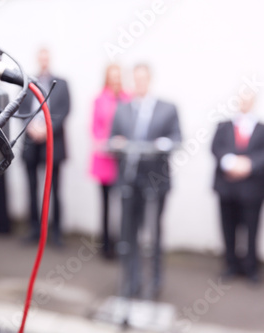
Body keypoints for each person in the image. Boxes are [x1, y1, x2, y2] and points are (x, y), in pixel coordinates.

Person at [110, 64, 181, 299]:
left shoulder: (167, 109)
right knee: (129, 234)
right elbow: (113, 139)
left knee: (154, 232)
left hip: (155, 181)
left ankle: (156, 281)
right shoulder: (122, 109)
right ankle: (133, 280)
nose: (139, 83)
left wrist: (161, 145)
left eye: (143, 79)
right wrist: (117, 143)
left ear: (149, 80)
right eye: (136, 79)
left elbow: (176, 138)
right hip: (130, 180)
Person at [211, 92, 264, 283]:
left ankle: (250, 267)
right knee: (228, 227)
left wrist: (249, 164)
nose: (245, 102)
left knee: (251, 228)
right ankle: (231, 264)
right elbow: (216, 148)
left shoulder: (261, 128)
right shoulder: (224, 126)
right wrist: (229, 162)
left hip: (252, 189)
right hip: (227, 187)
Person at [20, 48, 70, 246]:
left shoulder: (62, 84)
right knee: (31, 188)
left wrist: (47, 129)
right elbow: (21, 108)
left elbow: (65, 110)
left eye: (46, 57)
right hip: (31, 141)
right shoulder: (28, 82)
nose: (43, 61)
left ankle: (56, 232)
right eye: (40, 57)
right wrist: (31, 126)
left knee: (55, 189)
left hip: (53, 142)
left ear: (49, 60)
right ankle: (34, 230)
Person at [90, 64, 130, 259]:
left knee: (124, 205)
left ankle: (123, 243)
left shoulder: (128, 99)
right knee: (105, 204)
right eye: (112, 77)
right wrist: (107, 141)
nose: (115, 80)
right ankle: (106, 245)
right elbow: (95, 128)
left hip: (123, 161)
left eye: (118, 76)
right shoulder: (100, 99)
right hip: (105, 160)